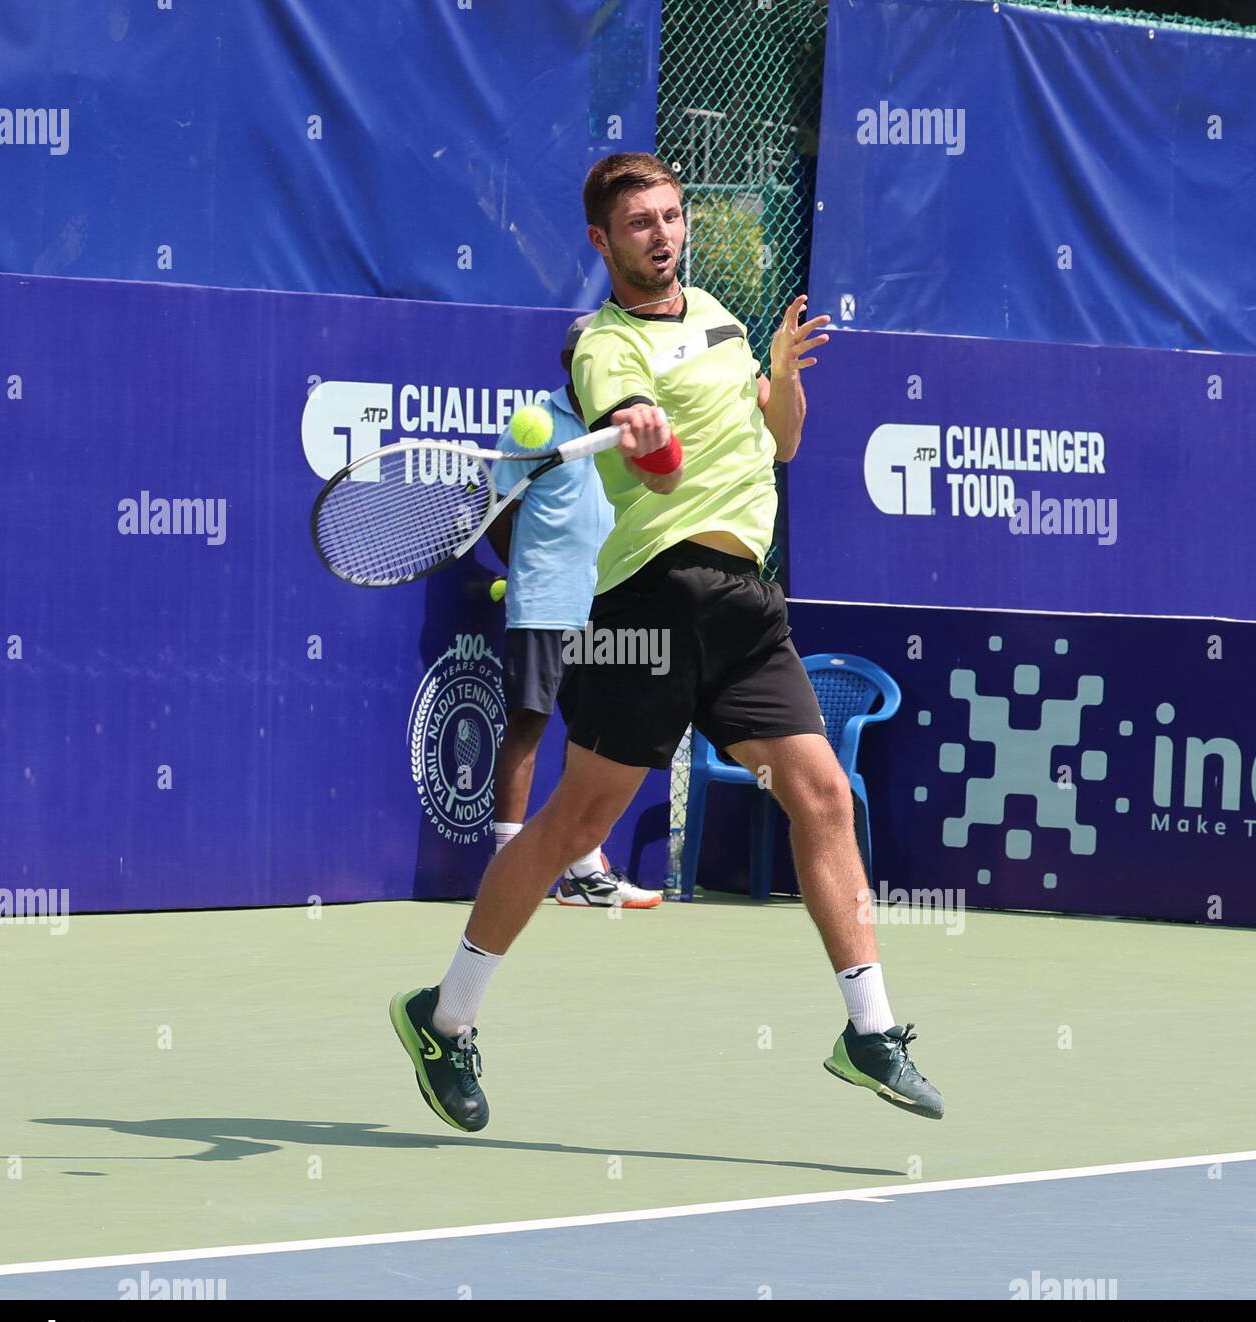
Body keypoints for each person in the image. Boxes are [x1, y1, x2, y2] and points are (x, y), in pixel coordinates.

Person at [390, 151, 945, 1132]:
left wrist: (778, 376)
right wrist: (643, 431)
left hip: (744, 603)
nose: (661, 231)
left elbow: (781, 443)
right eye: (639, 221)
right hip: (648, 606)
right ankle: (447, 1016)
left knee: (819, 793)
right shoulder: (603, 345)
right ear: (603, 241)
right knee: (571, 829)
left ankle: (869, 1029)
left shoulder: (725, 319)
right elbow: (651, 470)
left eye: (671, 214)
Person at [485, 315, 662, 910]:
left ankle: (584, 872)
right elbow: (500, 510)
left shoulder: (629, 424)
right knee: (529, 726)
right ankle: (508, 870)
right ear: (570, 365)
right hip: (543, 604)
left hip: (605, 603)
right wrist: (531, 574)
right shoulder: (534, 423)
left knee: (594, 739)